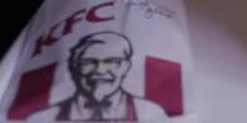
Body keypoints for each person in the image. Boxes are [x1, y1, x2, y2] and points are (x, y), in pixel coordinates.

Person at [26, 32, 168, 121]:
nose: (100, 70)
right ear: (74, 66)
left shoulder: (151, 112)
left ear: (126, 66)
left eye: (112, 61)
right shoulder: (42, 118)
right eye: (89, 62)